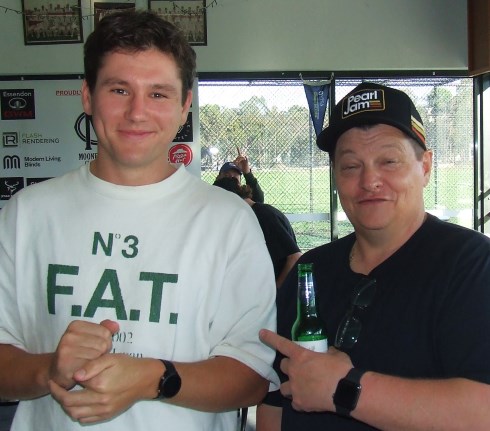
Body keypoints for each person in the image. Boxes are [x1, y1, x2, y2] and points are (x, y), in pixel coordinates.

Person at [0, 10, 278, 431]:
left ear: (185, 105)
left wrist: (153, 378)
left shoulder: (229, 221)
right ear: (88, 96)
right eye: (118, 89)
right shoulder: (26, 213)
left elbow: (252, 378)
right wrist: (50, 369)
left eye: (159, 94)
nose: (137, 112)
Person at [257, 82, 490, 431]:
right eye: (351, 166)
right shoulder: (310, 273)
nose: (370, 181)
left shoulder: (472, 266)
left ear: (425, 167)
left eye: (389, 161)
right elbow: (273, 402)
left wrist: (346, 390)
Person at [213, 177, 302, 288]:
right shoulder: (249, 215)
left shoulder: (264, 215)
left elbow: (295, 257)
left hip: (280, 295)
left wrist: (275, 292)